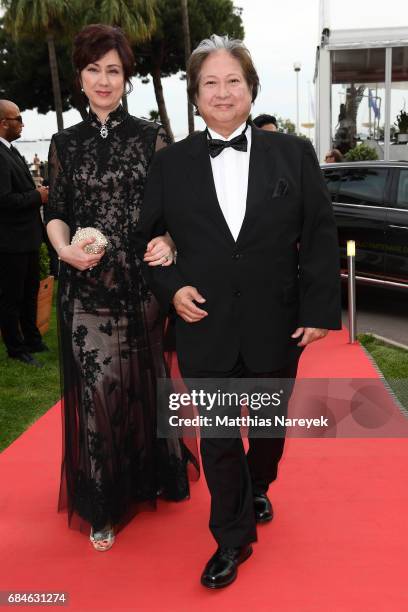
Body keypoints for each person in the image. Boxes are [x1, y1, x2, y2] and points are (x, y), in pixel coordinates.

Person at [135, 34, 341, 588]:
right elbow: (151, 240)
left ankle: (260, 483)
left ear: (251, 88)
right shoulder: (171, 164)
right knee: (220, 434)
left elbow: (320, 235)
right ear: (195, 96)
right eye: (210, 83)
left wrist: (320, 308)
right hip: (205, 323)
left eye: (233, 81)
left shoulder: (292, 154)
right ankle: (232, 536)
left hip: (277, 322)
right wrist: (170, 286)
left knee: (268, 430)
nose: (222, 92)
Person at [45, 24, 197, 552]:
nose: (104, 80)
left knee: (143, 383)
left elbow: (175, 210)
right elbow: (57, 213)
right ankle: (103, 502)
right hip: (85, 287)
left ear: (126, 77)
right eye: (93, 69)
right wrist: (63, 249)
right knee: (98, 391)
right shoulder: (64, 143)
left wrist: (170, 243)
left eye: (113, 69)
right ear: (80, 78)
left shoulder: (151, 136)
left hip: (141, 284)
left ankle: (151, 474)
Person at [0, 99, 49, 367]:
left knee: (30, 292)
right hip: (10, 241)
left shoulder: (11, 150)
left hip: (27, 237)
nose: (22, 123)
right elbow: (4, 200)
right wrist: (37, 196)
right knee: (12, 298)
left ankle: (32, 339)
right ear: (3, 123)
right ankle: (15, 348)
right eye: (17, 118)